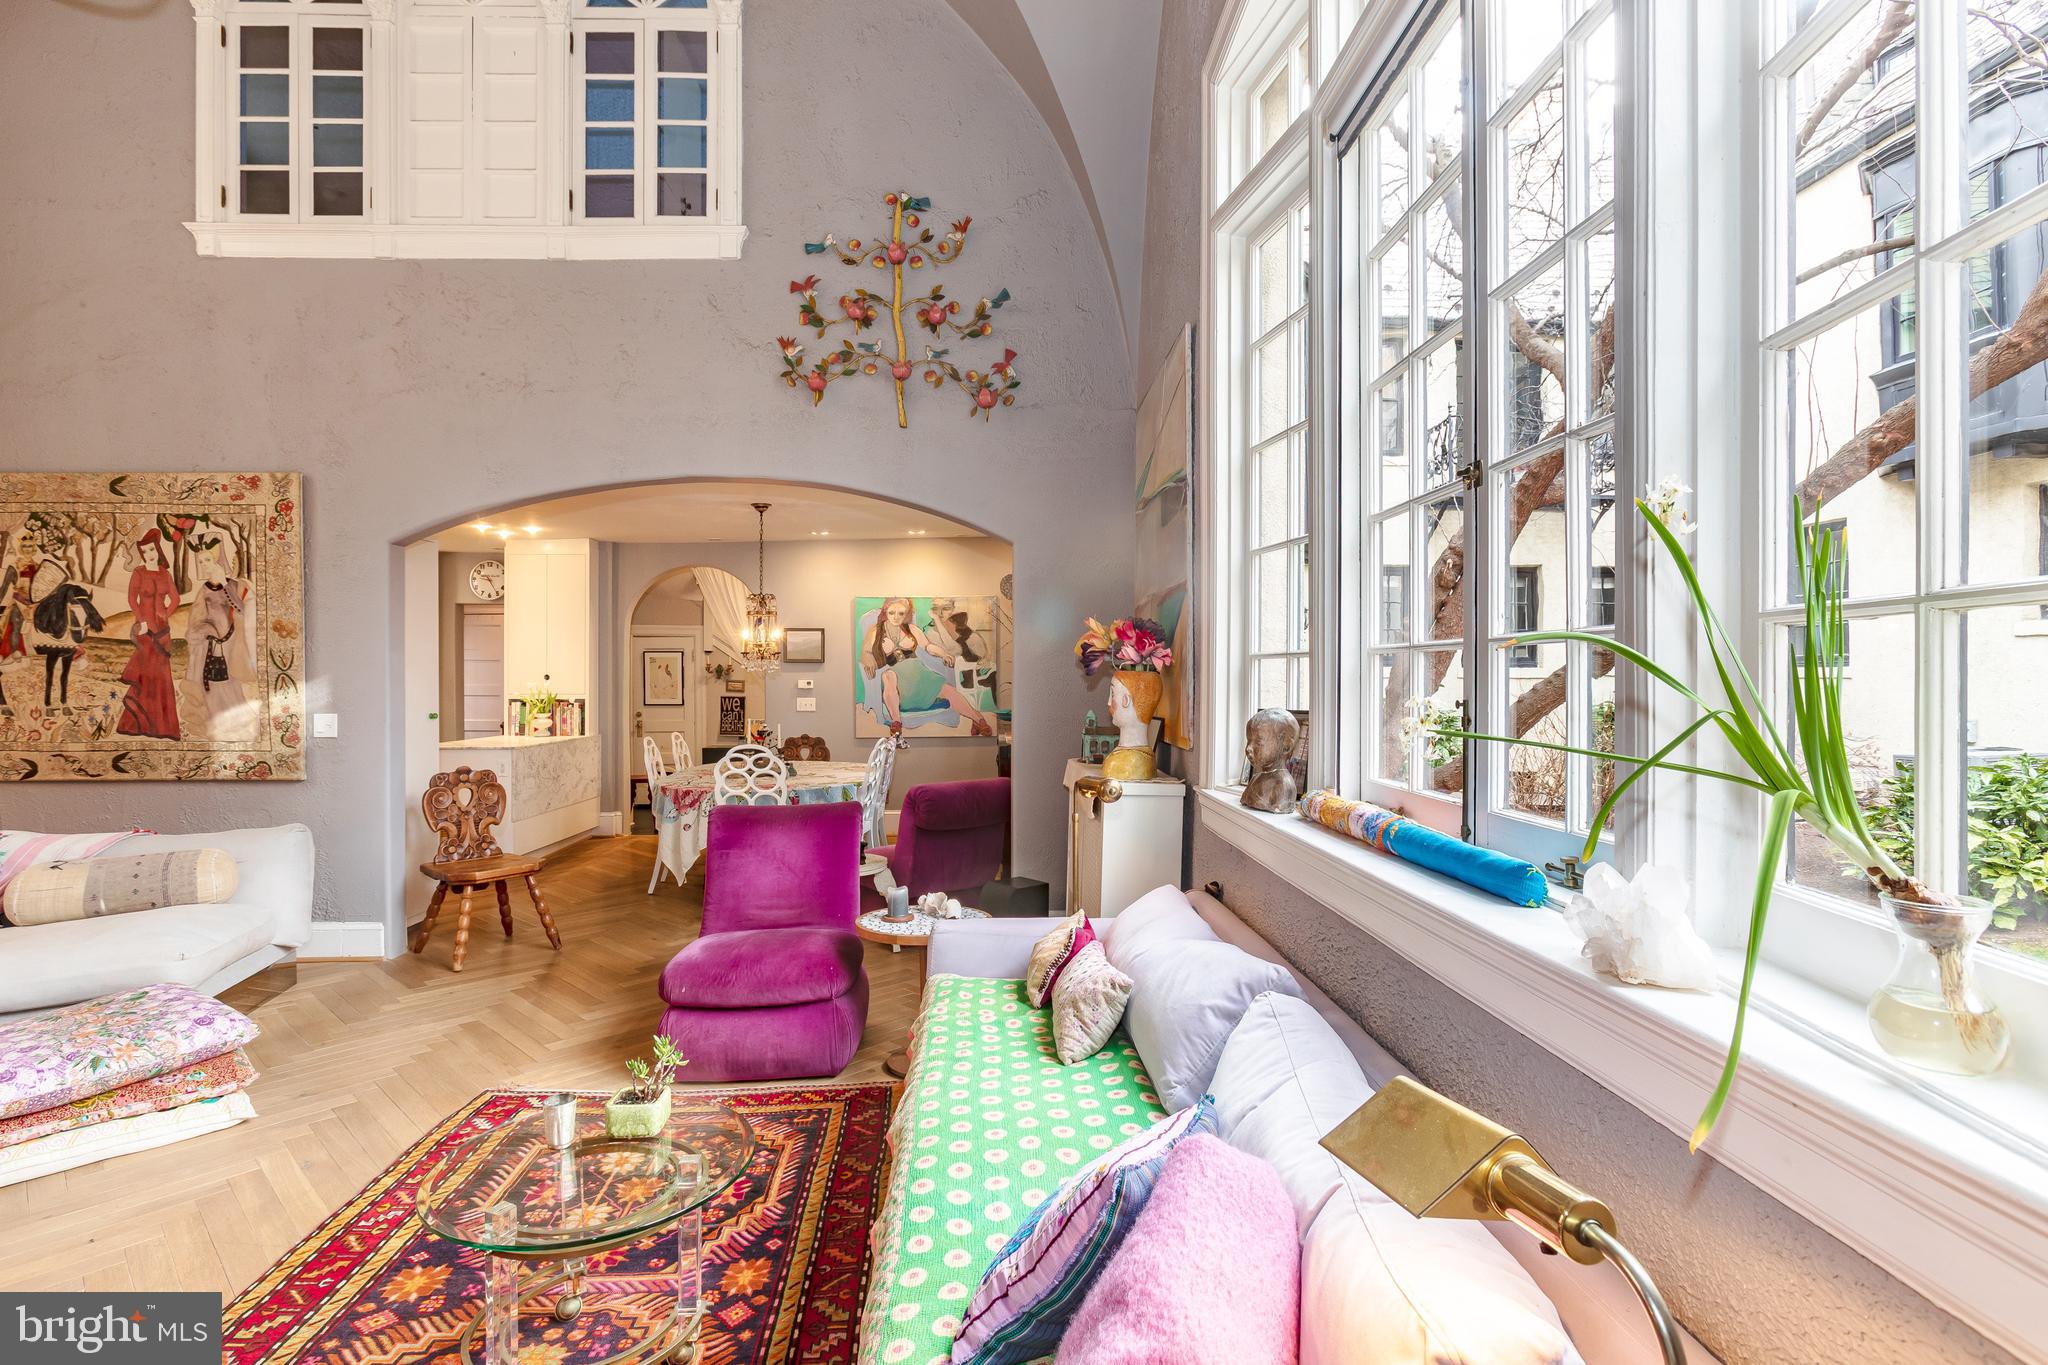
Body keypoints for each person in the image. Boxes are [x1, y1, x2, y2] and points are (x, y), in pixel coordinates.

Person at [862, 597, 993, 737]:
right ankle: (896, 723)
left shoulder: (911, 629)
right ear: (885, 612)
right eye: (892, 612)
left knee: (948, 690)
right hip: (895, 673)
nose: (896, 617)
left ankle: (979, 720)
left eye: (901, 613)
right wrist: (868, 658)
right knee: (888, 676)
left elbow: (928, 646)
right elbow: (865, 651)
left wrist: (943, 654)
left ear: (906, 614)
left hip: (918, 672)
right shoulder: (876, 630)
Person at [184, 540, 256, 739]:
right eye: (200, 562)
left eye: (207, 560)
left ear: (217, 559)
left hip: (230, 645)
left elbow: (240, 609)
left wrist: (225, 585)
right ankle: (213, 724)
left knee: (228, 684)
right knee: (208, 684)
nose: (204, 565)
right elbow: (197, 618)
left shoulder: (231, 585)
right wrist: (203, 632)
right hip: (208, 645)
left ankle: (234, 723)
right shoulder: (204, 589)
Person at [116, 529, 180, 739]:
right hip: (144, 630)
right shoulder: (139, 573)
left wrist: (164, 615)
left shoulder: (165, 574)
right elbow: (132, 599)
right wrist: (141, 621)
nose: (149, 554)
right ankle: (137, 724)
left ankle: (162, 726)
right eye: (145, 552)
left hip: (162, 632)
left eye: (151, 549)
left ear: (158, 549)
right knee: (144, 674)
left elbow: (175, 599)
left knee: (161, 676)